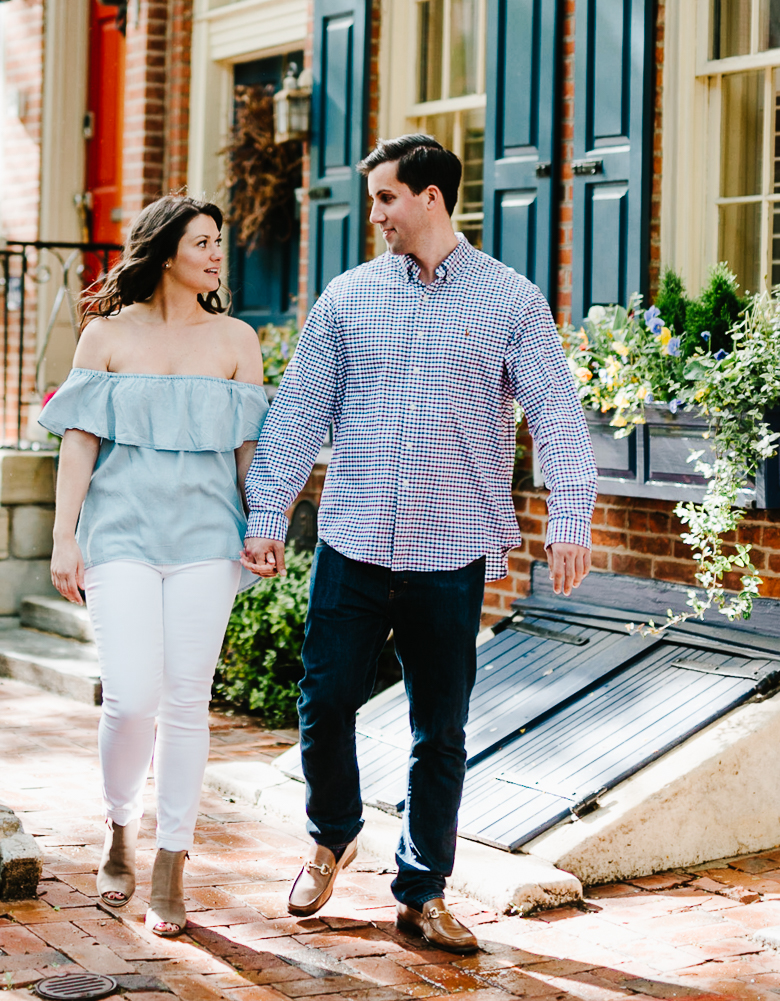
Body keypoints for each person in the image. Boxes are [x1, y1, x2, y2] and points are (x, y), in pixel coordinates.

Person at [242, 135, 597, 954]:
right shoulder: (347, 297)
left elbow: (555, 412)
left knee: (440, 728)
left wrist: (570, 515)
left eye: (386, 199)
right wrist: (267, 512)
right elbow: (300, 412)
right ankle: (331, 835)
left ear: (432, 197)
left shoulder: (509, 300)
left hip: (450, 551)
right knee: (324, 699)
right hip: (355, 539)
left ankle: (422, 891)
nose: (375, 215)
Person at [38, 194, 269, 937]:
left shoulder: (237, 339)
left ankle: (171, 861)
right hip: (120, 536)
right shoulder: (104, 336)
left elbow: (248, 453)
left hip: (208, 539)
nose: (215, 255)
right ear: (165, 251)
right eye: (202, 242)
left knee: (185, 700)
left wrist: (262, 524)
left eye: (218, 243)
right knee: (131, 696)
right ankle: (118, 823)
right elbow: (79, 442)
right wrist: (62, 536)